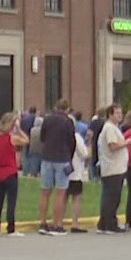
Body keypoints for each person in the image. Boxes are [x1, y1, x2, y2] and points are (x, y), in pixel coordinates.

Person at [35, 100, 77, 235]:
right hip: (62, 158)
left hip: (47, 157)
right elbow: (72, 141)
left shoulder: (47, 120)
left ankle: (42, 222)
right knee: (60, 192)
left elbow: (42, 138)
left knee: (45, 192)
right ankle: (56, 224)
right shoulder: (68, 122)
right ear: (67, 109)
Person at [0, 111, 25, 237]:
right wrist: (18, 129)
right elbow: (26, 140)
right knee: (11, 201)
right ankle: (11, 228)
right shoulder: (12, 138)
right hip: (10, 172)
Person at [94, 104, 129, 233]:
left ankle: (103, 223)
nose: (120, 115)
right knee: (113, 197)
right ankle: (110, 224)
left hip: (115, 167)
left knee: (109, 196)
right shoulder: (109, 128)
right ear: (110, 114)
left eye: (121, 113)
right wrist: (126, 143)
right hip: (113, 167)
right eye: (117, 113)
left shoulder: (114, 128)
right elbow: (112, 146)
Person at [65, 119, 92, 234]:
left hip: (64, 171)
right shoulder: (76, 137)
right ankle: (74, 223)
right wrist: (90, 142)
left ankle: (58, 221)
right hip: (75, 171)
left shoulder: (60, 137)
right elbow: (85, 154)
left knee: (62, 197)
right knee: (76, 197)